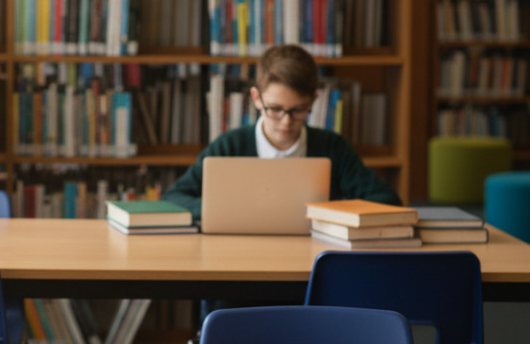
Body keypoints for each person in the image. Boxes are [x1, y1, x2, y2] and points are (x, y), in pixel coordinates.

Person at [163, 43, 401, 220]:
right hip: (241, 254)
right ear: (256, 98)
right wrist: (223, 209)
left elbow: (388, 201)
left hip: (310, 257)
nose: (286, 122)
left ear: (314, 101)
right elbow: (173, 200)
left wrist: (328, 210)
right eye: (275, 109)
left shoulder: (332, 148)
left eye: (298, 110)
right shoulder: (229, 146)